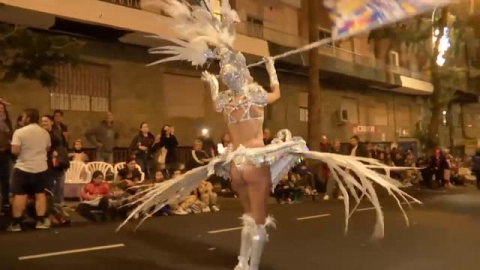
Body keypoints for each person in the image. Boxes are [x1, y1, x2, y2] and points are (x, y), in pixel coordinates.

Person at [117, 3, 420, 270]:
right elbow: (277, 92)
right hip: (256, 160)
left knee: (247, 214)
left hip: (235, 166)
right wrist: (272, 68)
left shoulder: (226, 102)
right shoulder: (255, 95)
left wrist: (210, 81)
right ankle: (253, 265)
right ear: (244, 74)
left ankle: (240, 262)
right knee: (258, 217)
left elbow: (213, 98)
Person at [8, 109, 51, 232]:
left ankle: (16, 223)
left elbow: (15, 151)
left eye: (23, 117)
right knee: (40, 194)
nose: (22, 119)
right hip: (41, 168)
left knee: (20, 195)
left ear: (28, 118)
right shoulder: (45, 133)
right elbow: (47, 148)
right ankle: (41, 220)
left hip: (23, 167)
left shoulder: (19, 132)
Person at [0, 101, 13, 211]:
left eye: (2, 109)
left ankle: (5, 201)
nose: (1, 111)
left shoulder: (7, 122)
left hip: (4, 153)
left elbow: (11, 136)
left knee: (5, 179)